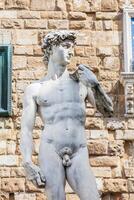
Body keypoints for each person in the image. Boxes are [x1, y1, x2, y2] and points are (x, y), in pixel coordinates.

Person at [20, 30, 113, 200]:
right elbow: (26, 130)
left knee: (92, 197)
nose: (71, 51)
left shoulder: (81, 83)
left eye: (72, 47)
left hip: (79, 151)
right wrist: (27, 162)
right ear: (51, 49)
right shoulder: (35, 89)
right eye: (66, 46)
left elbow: (108, 111)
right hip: (50, 150)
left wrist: (95, 84)